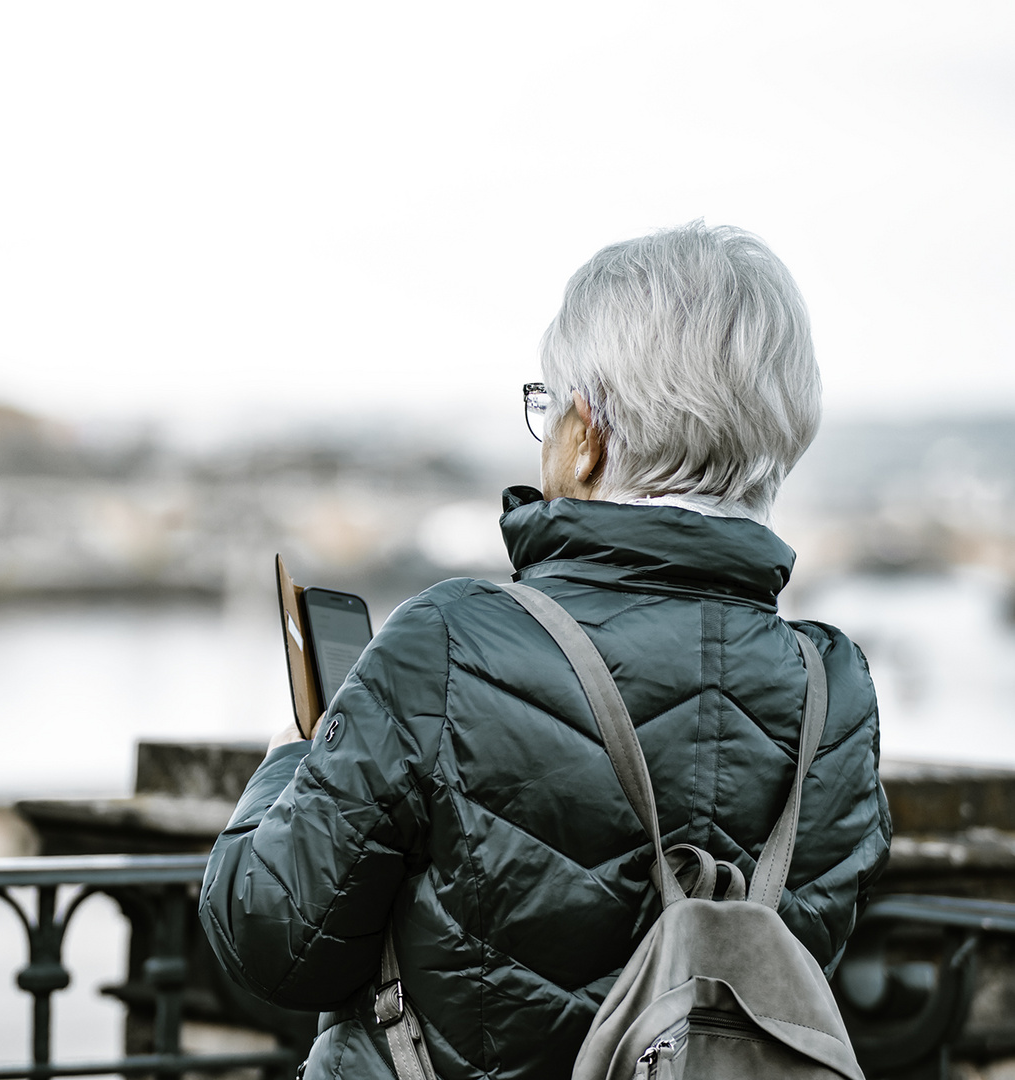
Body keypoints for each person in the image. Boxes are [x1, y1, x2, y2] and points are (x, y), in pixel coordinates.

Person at [198, 222, 890, 1079]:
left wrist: (291, 762)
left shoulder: (452, 645)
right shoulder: (835, 690)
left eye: (551, 404)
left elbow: (274, 945)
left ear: (591, 428)